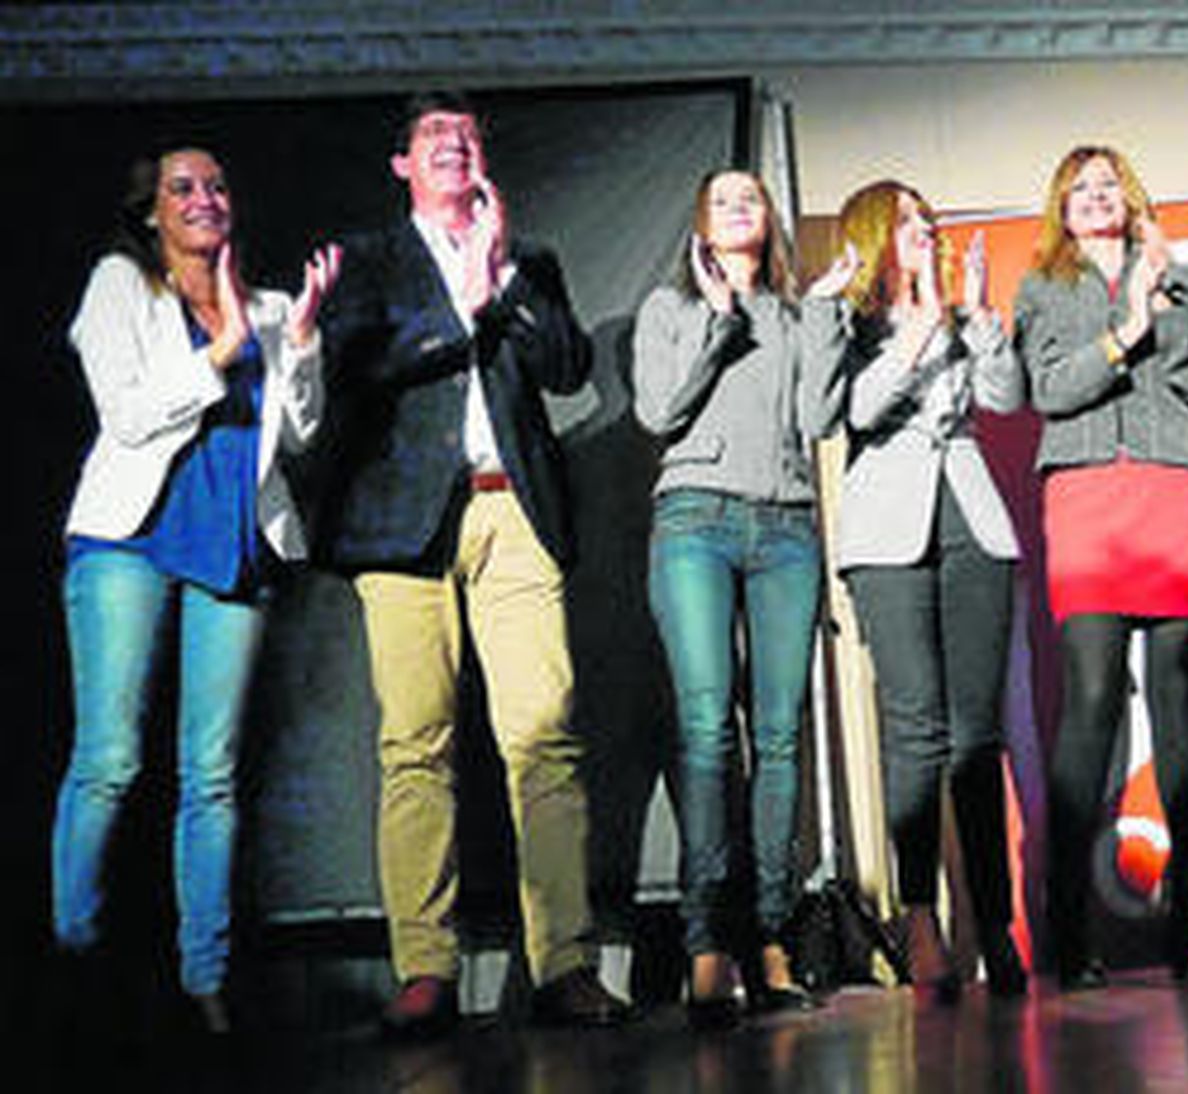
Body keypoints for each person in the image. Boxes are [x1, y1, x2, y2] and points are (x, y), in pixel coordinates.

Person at [315, 91, 629, 1036]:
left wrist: (503, 284)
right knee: (416, 745)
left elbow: (570, 368)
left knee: (546, 735)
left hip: (511, 510)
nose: (453, 145)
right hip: (404, 528)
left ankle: (564, 965)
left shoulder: (528, 260)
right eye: (433, 137)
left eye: (467, 135)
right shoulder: (369, 262)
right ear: (402, 164)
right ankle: (425, 971)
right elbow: (354, 371)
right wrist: (463, 309)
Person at [51, 146, 338, 1035]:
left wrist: (303, 341)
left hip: (230, 540)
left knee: (211, 774)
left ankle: (205, 979)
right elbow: (126, 414)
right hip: (129, 538)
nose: (204, 198)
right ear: (152, 213)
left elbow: (299, 435)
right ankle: (71, 954)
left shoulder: (269, 305)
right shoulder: (120, 286)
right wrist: (216, 353)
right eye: (183, 188)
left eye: (216, 185)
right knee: (111, 759)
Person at [1012, 145, 1188, 991]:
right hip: (1088, 495)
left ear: (1131, 199)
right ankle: (1068, 928)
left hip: (1179, 488)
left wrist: (1164, 287)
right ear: (1061, 208)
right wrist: (1123, 332)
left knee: (1179, 703)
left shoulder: (1186, 278)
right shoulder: (1044, 285)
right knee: (1090, 701)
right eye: (1077, 190)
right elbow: (1050, 389)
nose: (1093, 198)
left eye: (1106, 186)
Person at [631, 169, 853, 1027]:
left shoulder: (795, 315)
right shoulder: (668, 310)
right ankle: (704, 944)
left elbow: (818, 416)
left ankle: (770, 933)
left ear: (768, 222)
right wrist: (719, 325)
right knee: (705, 726)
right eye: (722, 200)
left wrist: (828, 318)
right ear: (701, 223)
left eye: (751, 199)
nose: (738, 209)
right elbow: (658, 410)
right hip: (695, 519)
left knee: (781, 734)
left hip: (788, 527)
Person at [831, 180, 1027, 1001]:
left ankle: (996, 921)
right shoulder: (844, 320)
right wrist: (917, 329)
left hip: (972, 522)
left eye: (929, 221)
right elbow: (858, 410)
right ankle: (920, 917)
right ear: (878, 235)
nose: (923, 232)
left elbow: (1005, 398)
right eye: (907, 221)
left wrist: (977, 317)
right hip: (885, 533)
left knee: (977, 734)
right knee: (916, 729)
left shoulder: (961, 318)